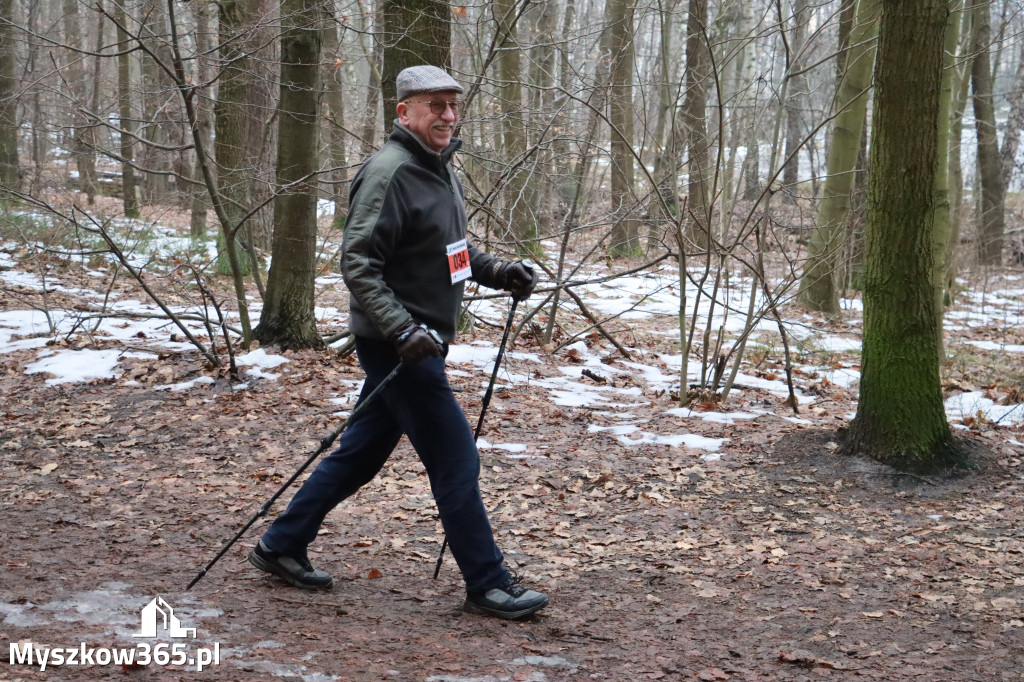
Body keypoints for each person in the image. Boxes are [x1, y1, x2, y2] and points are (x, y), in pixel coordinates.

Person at [249, 65, 547, 621]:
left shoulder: (440, 172)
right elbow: (358, 264)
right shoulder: (389, 173)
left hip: (418, 343)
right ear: (403, 111)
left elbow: (454, 253)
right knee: (456, 458)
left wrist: (501, 271)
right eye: (434, 104)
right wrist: (401, 328)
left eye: (453, 105)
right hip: (400, 347)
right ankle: (488, 583)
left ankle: (281, 544)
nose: (447, 115)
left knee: (359, 455)